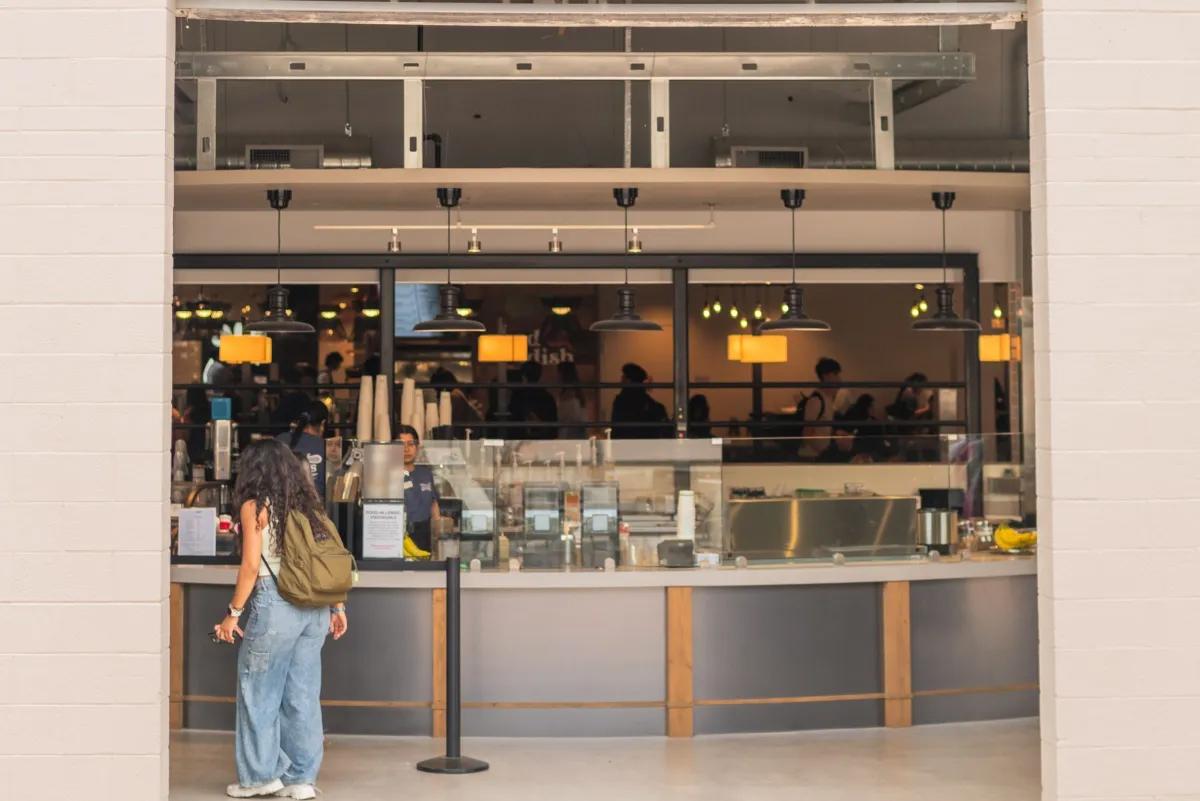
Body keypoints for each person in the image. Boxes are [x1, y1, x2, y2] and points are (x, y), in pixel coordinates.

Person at [212, 439, 348, 800]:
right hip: (316, 610)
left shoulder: (256, 507)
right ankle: (301, 779)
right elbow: (327, 560)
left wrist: (232, 615)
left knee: (258, 692)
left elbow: (252, 567)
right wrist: (337, 607)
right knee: (302, 696)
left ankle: (260, 777)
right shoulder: (309, 506)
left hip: (276, 605)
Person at [396, 425, 441, 555]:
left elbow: (434, 504)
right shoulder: (389, 475)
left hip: (424, 535)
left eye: (411, 444)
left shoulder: (425, 473)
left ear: (417, 447)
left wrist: (438, 531)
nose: (406, 449)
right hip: (399, 534)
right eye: (401, 445)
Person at [276, 401, 328, 495]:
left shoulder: (280, 440)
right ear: (322, 424)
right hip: (316, 505)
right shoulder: (325, 446)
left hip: (281, 503)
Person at [611, 363, 670, 439]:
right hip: (647, 446)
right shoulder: (652, 404)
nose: (621, 379)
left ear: (629, 380)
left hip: (625, 446)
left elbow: (616, 430)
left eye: (623, 377)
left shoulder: (621, 401)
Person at [509, 360, 558, 440]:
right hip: (543, 442)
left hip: (521, 442)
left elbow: (513, 421)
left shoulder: (518, 396)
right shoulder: (547, 397)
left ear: (523, 376)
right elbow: (553, 428)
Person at [557, 361, 588, 440]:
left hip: (569, 435)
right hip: (576, 434)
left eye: (559, 373)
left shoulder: (569, 394)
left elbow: (566, 417)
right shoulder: (577, 392)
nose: (557, 376)